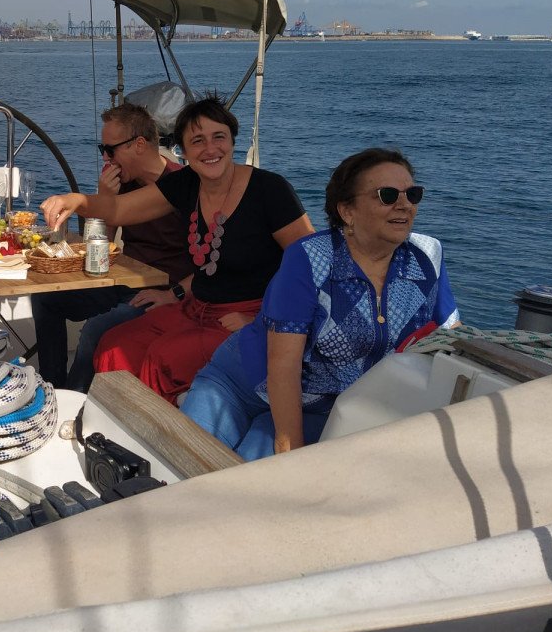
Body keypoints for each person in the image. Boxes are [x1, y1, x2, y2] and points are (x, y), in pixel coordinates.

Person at [180, 148, 460, 460]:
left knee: (248, 481)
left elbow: (451, 336)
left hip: (324, 406)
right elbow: (283, 366)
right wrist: (292, 458)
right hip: (240, 384)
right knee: (187, 461)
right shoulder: (311, 259)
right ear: (347, 211)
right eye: (387, 195)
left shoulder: (427, 257)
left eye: (412, 194)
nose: (404, 204)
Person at [41, 94, 313, 403]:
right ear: (183, 151)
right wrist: (74, 200)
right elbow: (119, 209)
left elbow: (311, 267)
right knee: (113, 345)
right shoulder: (186, 183)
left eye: (219, 137)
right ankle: (107, 429)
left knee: (162, 359)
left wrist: (263, 320)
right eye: (197, 141)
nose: (210, 149)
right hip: (195, 309)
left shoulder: (270, 189)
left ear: (232, 141)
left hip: (248, 315)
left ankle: (149, 440)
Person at [30, 103, 190, 392]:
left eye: (111, 149)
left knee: (96, 329)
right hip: (125, 280)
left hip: (163, 290)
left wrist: (175, 294)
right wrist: (105, 198)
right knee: (45, 298)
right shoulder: (122, 184)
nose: (106, 157)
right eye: (101, 149)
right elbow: (98, 249)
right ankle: (53, 387)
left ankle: (73, 400)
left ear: (139, 145)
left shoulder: (182, 186)